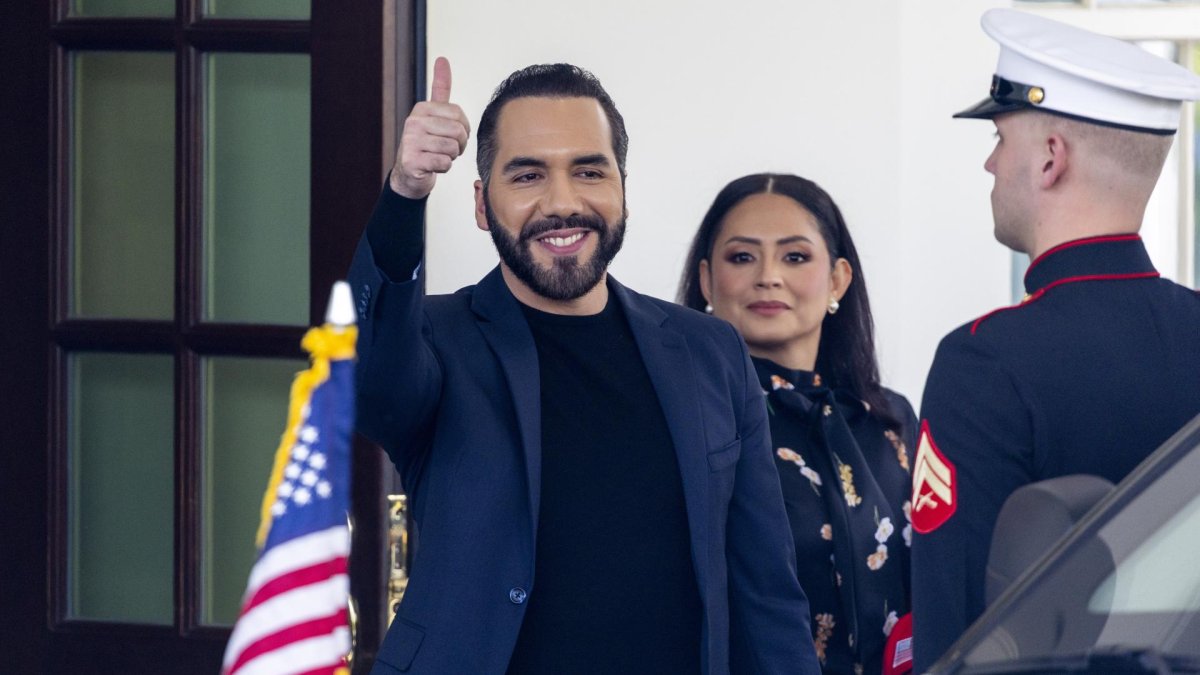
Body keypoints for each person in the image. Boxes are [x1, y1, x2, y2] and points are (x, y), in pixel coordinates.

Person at [348, 58, 820, 674]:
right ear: (483, 204)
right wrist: (405, 193)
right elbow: (372, 383)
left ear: (622, 189)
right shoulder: (437, 338)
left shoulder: (710, 351)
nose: (563, 202)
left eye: (589, 171)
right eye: (527, 175)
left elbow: (766, 594)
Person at [912, 9, 1200, 671]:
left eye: (999, 137)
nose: (989, 162)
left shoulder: (984, 361)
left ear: (1050, 158)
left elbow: (957, 629)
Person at [679, 173, 917, 675]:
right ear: (706, 280)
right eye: (742, 257)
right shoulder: (684, 423)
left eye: (794, 256)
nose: (768, 276)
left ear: (838, 280)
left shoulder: (889, 421)